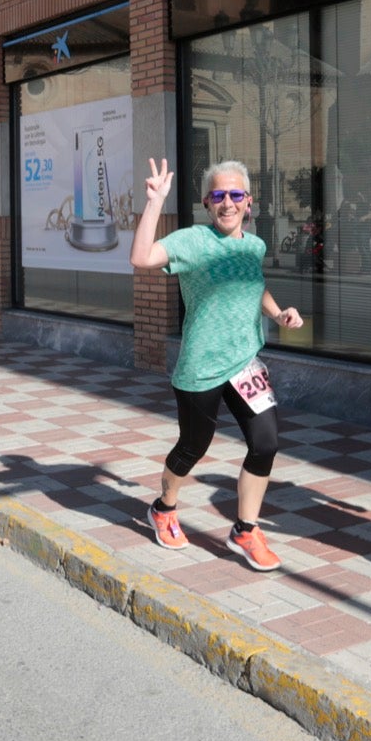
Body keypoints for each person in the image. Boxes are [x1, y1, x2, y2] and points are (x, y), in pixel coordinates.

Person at [128, 158, 303, 572]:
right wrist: (154, 203)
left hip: (244, 362)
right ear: (208, 203)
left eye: (236, 195)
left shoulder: (254, 245)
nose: (228, 203)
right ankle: (164, 507)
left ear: (249, 202)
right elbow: (140, 258)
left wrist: (278, 314)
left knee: (265, 443)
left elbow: (254, 285)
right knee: (194, 446)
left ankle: (245, 530)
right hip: (201, 366)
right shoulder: (192, 241)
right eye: (219, 196)